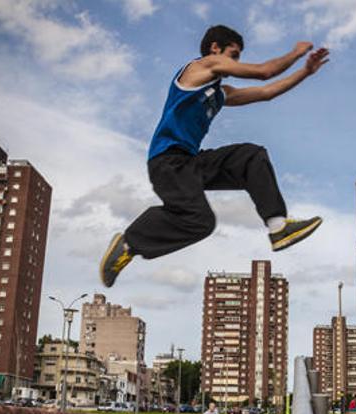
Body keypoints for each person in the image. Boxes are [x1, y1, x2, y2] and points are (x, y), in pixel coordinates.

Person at [101, 25, 330, 287]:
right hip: (167, 162)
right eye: (233, 55)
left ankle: (278, 227)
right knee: (200, 221)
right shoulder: (202, 67)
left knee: (251, 156)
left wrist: (305, 72)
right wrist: (296, 53)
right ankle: (130, 243)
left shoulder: (221, 93)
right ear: (215, 48)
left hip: (191, 162)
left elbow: (267, 93)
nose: (234, 63)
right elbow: (265, 72)